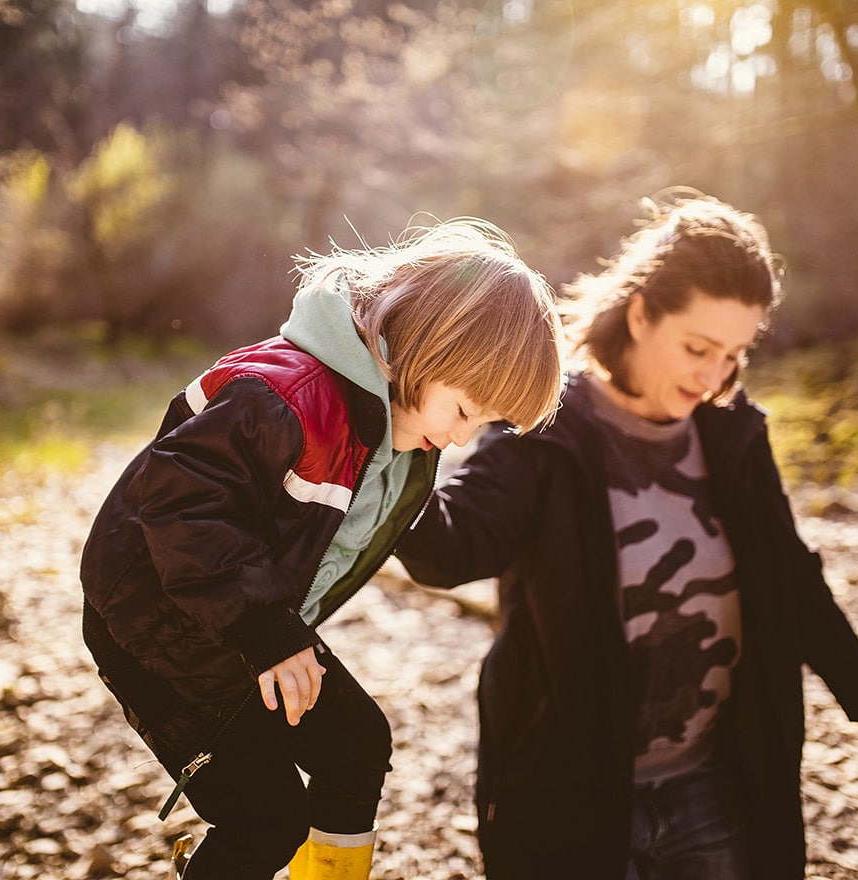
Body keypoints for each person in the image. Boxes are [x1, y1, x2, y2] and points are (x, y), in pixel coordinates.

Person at [396, 191, 858, 880]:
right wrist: (390, 435)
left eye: (733, 354)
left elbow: (789, 573)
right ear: (639, 314)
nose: (714, 375)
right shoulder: (544, 429)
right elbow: (449, 547)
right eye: (698, 348)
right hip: (571, 796)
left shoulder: (732, 432)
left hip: (715, 786)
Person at [79, 218, 563, 880]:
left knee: (357, 744)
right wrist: (266, 630)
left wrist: (547, 515)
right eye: (463, 412)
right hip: (156, 625)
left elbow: (436, 548)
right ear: (428, 350)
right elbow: (178, 507)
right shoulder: (286, 394)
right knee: (265, 819)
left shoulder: (400, 442)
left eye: (482, 427)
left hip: (253, 628)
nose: (460, 440)